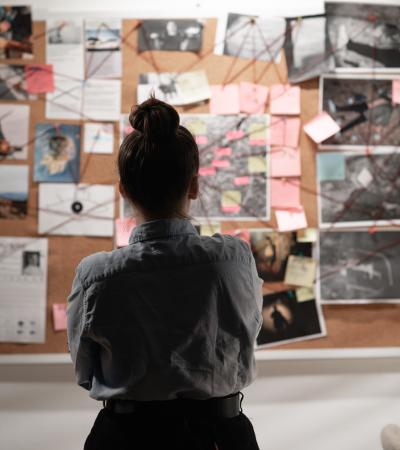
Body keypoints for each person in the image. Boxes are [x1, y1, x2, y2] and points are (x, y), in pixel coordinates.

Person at [67, 97, 263, 450]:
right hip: (220, 437)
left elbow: (85, 372)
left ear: (124, 191)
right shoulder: (234, 257)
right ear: (193, 186)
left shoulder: (94, 274)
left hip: (126, 439)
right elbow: (247, 334)